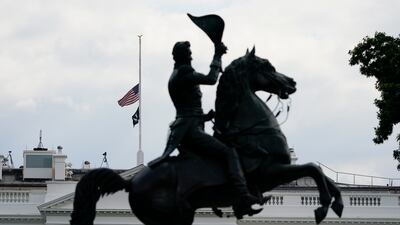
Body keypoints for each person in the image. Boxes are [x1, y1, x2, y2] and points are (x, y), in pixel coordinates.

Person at [148, 41, 260, 218]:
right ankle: (243, 195)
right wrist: (217, 54)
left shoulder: (176, 74)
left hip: (189, 125)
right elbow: (211, 79)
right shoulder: (184, 73)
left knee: (214, 157)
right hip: (190, 131)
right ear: (183, 56)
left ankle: (216, 196)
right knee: (229, 152)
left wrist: (205, 117)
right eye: (189, 53)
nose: (192, 56)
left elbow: (187, 108)